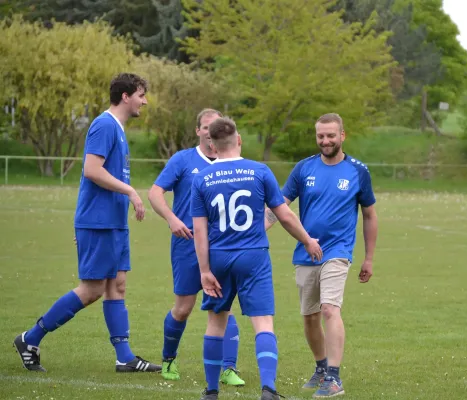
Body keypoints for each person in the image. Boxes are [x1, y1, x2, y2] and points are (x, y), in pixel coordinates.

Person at [13, 73, 161, 373]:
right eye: (141, 95)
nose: (144, 101)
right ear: (125, 96)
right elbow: (92, 170)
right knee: (92, 289)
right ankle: (30, 338)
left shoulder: (117, 128)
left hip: (114, 223)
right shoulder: (104, 125)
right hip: (99, 222)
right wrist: (131, 191)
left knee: (117, 286)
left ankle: (125, 358)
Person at [190, 117, 323, 400]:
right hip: (253, 256)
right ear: (239, 140)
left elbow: (199, 230)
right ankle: (268, 389)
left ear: (211, 144)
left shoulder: (201, 178)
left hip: (218, 257)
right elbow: (284, 214)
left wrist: (203, 270)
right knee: (263, 323)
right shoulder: (259, 171)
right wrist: (307, 240)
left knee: (216, 322)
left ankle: (211, 392)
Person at [264, 113, 378, 398]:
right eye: (320, 136)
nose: (325, 141)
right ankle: (322, 367)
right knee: (310, 317)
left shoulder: (358, 171)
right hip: (306, 252)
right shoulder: (303, 169)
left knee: (329, 309)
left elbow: (369, 215)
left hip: (338, 252)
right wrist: (256, 230)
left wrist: (369, 258)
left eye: (330, 135)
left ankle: (335, 378)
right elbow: (279, 207)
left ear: (342, 135)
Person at [147, 108, 245, 385]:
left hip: (223, 246)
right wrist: (172, 219)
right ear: (199, 131)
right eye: (205, 127)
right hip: (187, 245)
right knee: (184, 307)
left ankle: (228, 368)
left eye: (215, 127)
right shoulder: (183, 160)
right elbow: (155, 193)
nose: (210, 131)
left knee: (223, 305)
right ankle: (168, 359)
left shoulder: (233, 162)